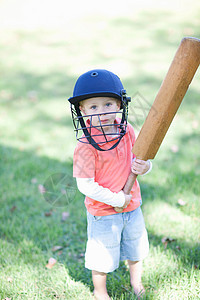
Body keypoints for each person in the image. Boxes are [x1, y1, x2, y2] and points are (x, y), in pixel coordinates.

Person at [68, 69, 152, 300]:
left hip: (132, 205)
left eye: (108, 104)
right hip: (103, 212)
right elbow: (85, 185)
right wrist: (117, 199)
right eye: (93, 107)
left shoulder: (127, 131)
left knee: (135, 249)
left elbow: (140, 160)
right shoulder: (85, 145)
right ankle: (100, 292)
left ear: (119, 104)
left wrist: (145, 167)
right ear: (82, 111)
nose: (102, 112)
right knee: (102, 257)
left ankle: (137, 283)